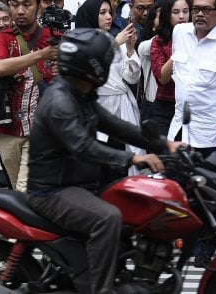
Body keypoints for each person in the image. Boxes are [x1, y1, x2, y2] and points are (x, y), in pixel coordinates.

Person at [27, 28, 175, 294]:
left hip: (79, 183)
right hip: (53, 191)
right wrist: (133, 157)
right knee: (107, 218)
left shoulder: (79, 93)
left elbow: (115, 125)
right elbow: (84, 147)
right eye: (106, 62)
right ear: (92, 66)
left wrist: (164, 144)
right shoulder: (60, 101)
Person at [168, 0, 216, 266]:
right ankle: (180, 244)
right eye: (195, 8)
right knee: (178, 191)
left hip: (212, 133)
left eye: (206, 10)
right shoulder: (180, 34)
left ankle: (204, 249)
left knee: (208, 195)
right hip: (180, 129)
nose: (199, 14)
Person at [0, 0, 57, 192]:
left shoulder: (53, 37)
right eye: (15, 4)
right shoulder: (3, 37)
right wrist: (41, 55)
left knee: (24, 189)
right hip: (7, 126)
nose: (20, 10)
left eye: (27, 4)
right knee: (17, 188)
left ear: (38, 6)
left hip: (43, 127)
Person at [75, 0, 141, 177]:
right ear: (90, 16)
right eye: (102, 13)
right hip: (97, 109)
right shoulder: (79, 44)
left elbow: (131, 78)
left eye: (109, 12)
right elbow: (89, 70)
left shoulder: (114, 40)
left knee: (123, 162)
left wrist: (129, 49)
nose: (108, 17)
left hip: (121, 108)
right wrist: (116, 42)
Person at [149, 0, 190, 136]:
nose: (181, 16)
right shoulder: (158, 41)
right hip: (165, 106)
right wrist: (179, 50)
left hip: (193, 105)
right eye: (176, 12)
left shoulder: (200, 38)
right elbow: (162, 77)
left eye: (185, 11)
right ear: (167, 14)